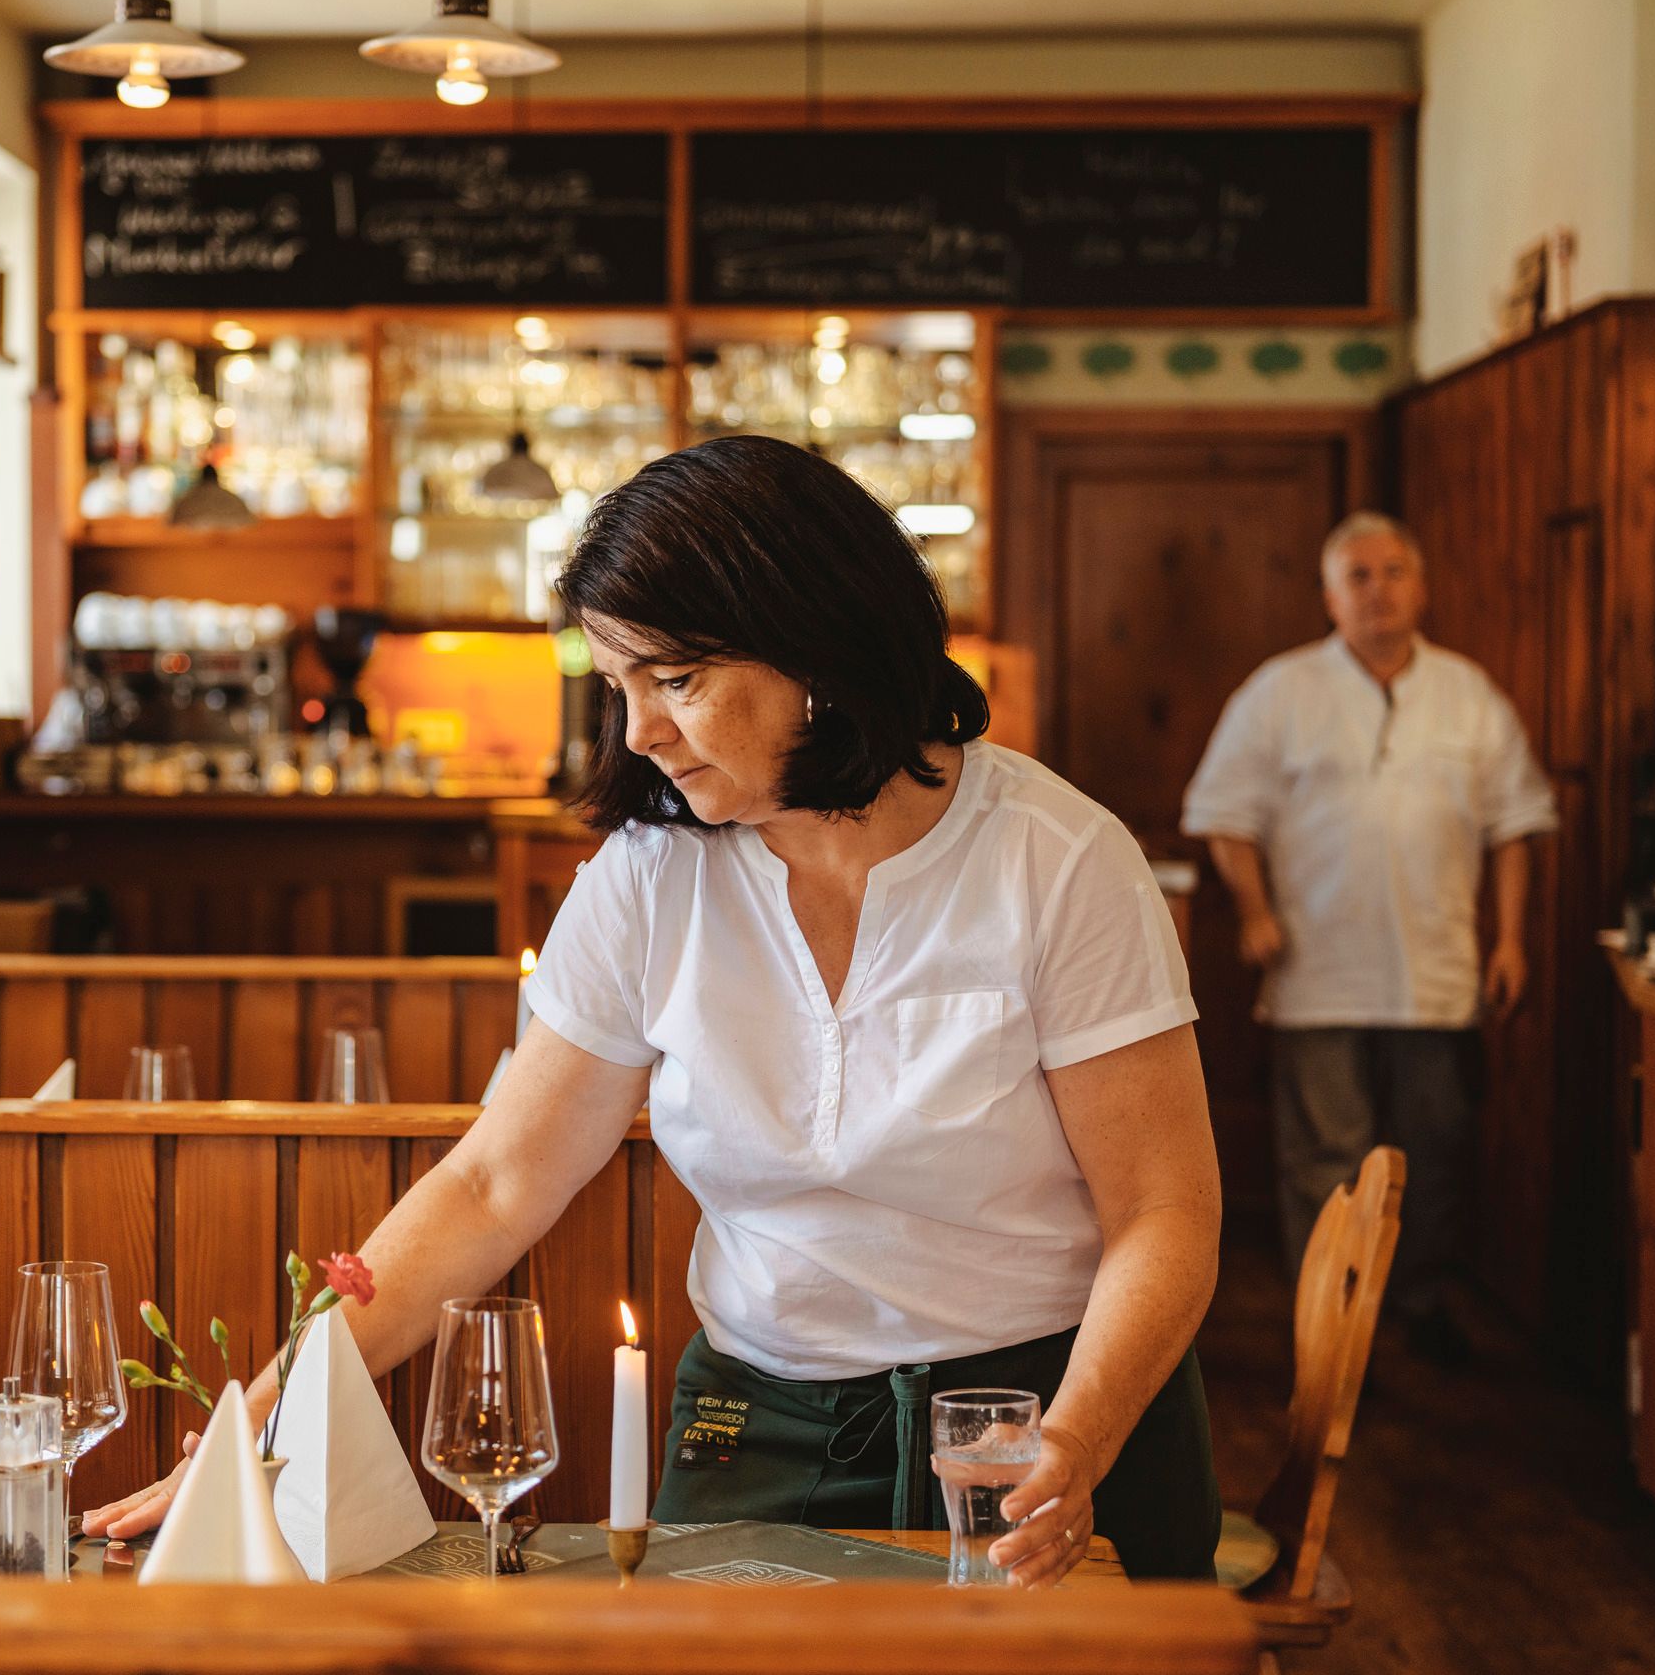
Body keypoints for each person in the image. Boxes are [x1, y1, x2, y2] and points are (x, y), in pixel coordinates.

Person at [86, 436, 1222, 1582]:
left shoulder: (1059, 859)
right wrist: (264, 1421)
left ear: (815, 644)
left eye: (673, 680)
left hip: (1043, 1410)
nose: (637, 733)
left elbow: (1161, 1212)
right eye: (617, 684)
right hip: (758, 1421)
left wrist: (1070, 1442)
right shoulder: (646, 874)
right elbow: (491, 1185)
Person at [1181, 511, 1555, 1364]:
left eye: (1394, 572)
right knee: (1326, 1161)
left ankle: (1418, 1306)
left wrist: (1513, 941)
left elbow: (1517, 825)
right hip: (1320, 970)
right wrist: (1254, 911)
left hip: (1439, 968)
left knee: (1436, 1152)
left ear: (1421, 586)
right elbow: (1223, 815)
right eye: (1358, 575)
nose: (1378, 590)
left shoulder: (1470, 692)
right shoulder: (1279, 691)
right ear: (1328, 595)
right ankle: (1333, 1329)